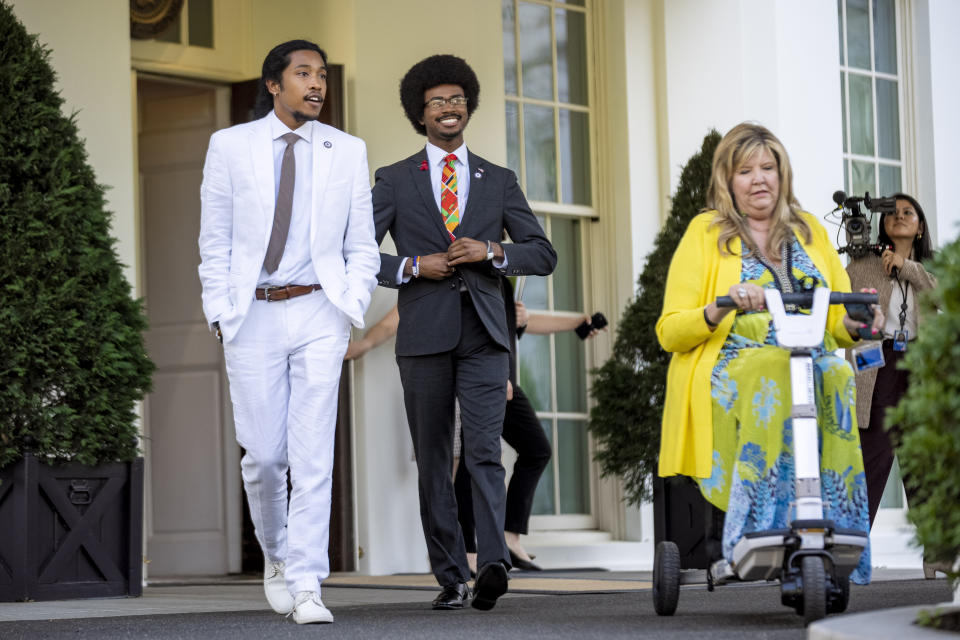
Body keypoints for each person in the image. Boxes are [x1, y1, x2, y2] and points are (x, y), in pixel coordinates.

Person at [197, 39, 379, 624]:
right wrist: (220, 311)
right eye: (304, 74)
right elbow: (214, 239)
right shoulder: (229, 145)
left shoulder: (346, 151)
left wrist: (350, 300)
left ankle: (307, 583)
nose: (317, 84)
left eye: (322, 74)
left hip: (318, 312)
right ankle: (275, 554)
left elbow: (361, 243)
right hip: (250, 313)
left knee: (312, 454)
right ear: (274, 84)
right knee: (266, 455)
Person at [655, 122, 883, 585]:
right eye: (745, 171)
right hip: (735, 360)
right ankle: (757, 527)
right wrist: (719, 306)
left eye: (767, 167)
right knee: (776, 369)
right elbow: (670, 331)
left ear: (782, 174)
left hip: (809, 356)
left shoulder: (811, 230)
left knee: (837, 377)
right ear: (727, 180)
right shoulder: (706, 232)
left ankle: (835, 522)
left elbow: (838, 323)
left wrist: (858, 323)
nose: (759, 179)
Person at [372, 54, 557, 611]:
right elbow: (352, 255)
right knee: (433, 457)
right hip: (424, 336)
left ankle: (494, 561)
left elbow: (543, 254)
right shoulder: (394, 180)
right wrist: (411, 266)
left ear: (467, 108)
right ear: (419, 113)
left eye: (457, 100)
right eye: (437, 102)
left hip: (484, 336)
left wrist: (494, 251)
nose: (448, 108)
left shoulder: (498, 181)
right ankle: (451, 575)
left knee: (483, 450)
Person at [845, 194, 937, 563]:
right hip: (878, 364)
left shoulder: (931, 268)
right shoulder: (863, 264)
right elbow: (841, 304)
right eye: (892, 213)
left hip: (919, 366)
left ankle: (939, 554)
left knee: (922, 462)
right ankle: (851, 553)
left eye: (908, 212)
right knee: (873, 457)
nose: (899, 217)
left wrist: (907, 268)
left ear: (920, 225)